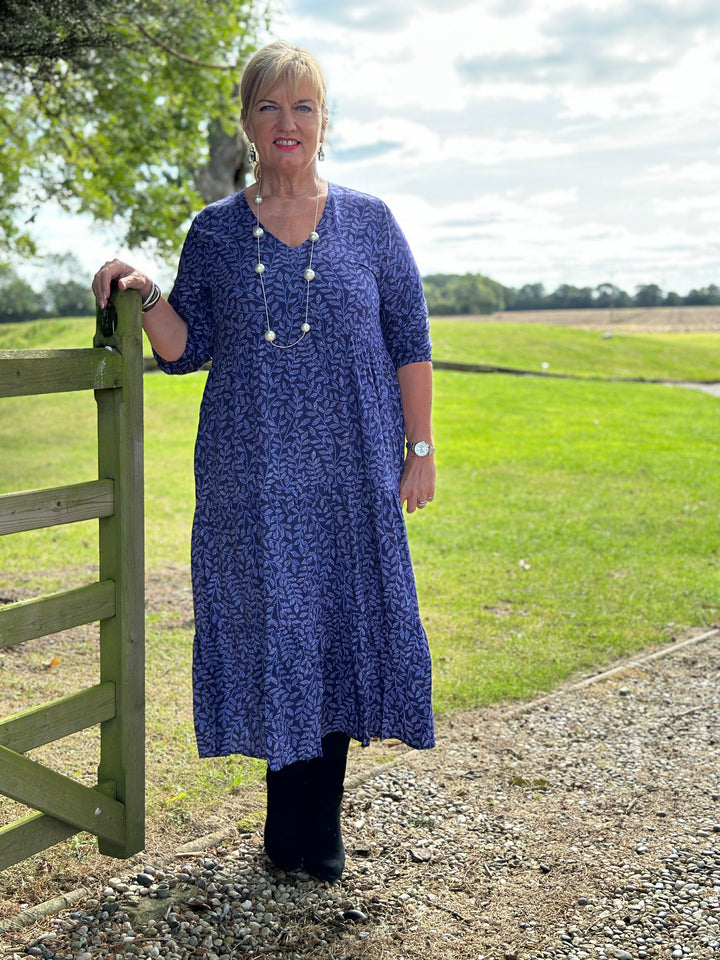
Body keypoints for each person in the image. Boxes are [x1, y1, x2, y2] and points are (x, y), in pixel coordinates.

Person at [93, 40, 436, 882]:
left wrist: (419, 450)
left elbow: (411, 342)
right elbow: (186, 348)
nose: (289, 123)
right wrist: (138, 289)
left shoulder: (372, 220)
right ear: (248, 123)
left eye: (304, 107)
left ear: (324, 121)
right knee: (279, 630)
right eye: (271, 108)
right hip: (255, 475)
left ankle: (313, 829)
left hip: (354, 470)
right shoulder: (212, 232)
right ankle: (299, 833)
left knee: (341, 626)